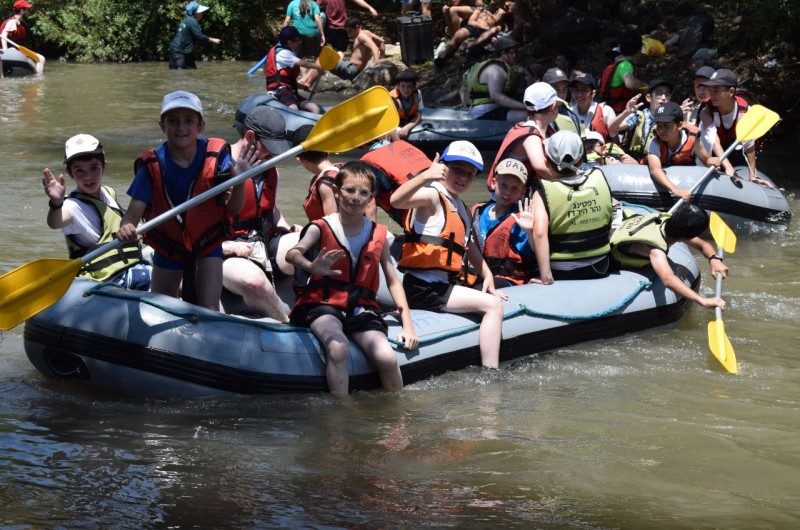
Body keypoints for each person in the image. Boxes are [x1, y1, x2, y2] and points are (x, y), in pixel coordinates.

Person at [287, 161, 418, 394]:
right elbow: (292, 254)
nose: (355, 197)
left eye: (363, 192)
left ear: (371, 199)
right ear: (337, 193)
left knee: (387, 357)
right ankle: (341, 416)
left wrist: (408, 326)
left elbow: (393, 280)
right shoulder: (321, 227)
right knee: (338, 347)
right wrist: (312, 265)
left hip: (361, 307)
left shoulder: (378, 233)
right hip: (323, 305)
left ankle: (399, 418)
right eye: (349, 190)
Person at [117, 91, 251, 311]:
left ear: (200, 126)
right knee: (158, 308)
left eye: (188, 121)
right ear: (162, 126)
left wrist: (240, 181)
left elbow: (234, 208)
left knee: (208, 307)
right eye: (173, 121)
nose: (181, 127)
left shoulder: (218, 157)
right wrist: (126, 227)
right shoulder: (151, 166)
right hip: (168, 247)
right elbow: (132, 216)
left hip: (207, 245)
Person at [390, 141, 507, 369]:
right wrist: (425, 177)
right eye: (457, 170)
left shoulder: (459, 205)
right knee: (493, 306)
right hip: (424, 288)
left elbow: (467, 244)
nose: (463, 178)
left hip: (441, 285)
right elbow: (397, 200)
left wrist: (487, 275)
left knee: (496, 290)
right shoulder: (432, 195)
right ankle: (491, 372)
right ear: (442, 166)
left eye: (470, 174)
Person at [42, 134, 151, 290]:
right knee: (171, 276)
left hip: (130, 265)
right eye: (79, 171)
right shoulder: (72, 206)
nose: (88, 176)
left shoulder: (108, 192)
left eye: (94, 168)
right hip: (108, 278)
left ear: (104, 166)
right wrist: (56, 203)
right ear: (70, 173)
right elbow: (55, 222)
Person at [222, 107, 302, 322]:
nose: (274, 155)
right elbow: (193, 223)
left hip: (263, 244)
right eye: (269, 148)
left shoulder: (269, 169)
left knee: (314, 240)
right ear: (250, 137)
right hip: (223, 252)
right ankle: (288, 327)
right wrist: (226, 247)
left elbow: (270, 209)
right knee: (255, 282)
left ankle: (324, 309)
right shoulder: (216, 167)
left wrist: (287, 230)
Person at [530, 130, 613, 283]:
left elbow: (540, 234)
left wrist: (546, 276)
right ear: (581, 160)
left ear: (546, 159)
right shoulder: (599, 177)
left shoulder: (541, 192)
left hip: (560, 270)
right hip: (600, 264)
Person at [610, 203, 727, 309]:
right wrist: (702, 300)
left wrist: (714, 259)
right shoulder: (656, 250)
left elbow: (703, 244)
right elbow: (668, 279)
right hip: (610, 258)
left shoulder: (664, 220)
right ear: (686, 238)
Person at [486, 81, 567, 189]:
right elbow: (540, 167)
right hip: (509, 197)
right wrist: (566, 181)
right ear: (553, 107)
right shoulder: (531, 137)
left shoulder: (525, 127)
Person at [698, 68, 771, 186]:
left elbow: (749, 145)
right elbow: (713, 140)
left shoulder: (746, 112)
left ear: (731, 92)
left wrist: (752, 176)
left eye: (716, 90)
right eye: (710, 90)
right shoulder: (706, 112)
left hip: (734, 149)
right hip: (710, 151)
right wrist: (728, 168)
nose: (712, 95)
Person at [472, 158, 538, 287]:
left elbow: (535, 251)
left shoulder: (521, 219)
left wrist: (531, 233)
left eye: (514, 188)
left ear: (522, 191)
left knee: (476, 288)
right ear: (493, 183)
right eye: (504, 185)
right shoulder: (478, 211)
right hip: (481, 273)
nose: (508, 192)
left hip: (508, 279)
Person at [646, 101, 721, 202]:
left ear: (680, 125)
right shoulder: (655, 143)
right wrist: (675, 190)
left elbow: (707, 159)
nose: (661, 130)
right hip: (666, 188)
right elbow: (655, 170)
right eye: (659, 126)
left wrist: (712, 161)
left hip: (686, 180)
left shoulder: (693, 141)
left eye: (667, 126)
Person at [612, 78, 681, 162]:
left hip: (658, 161)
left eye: (667, 94)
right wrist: (626, 113)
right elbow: (612, 128)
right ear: (648, 98)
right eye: (659, 93)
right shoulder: (639, 116)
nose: (664, 98)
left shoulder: (672, 119)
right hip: (633, 159)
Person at [464, 35, 527, 121]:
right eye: (513, 52)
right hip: (485, 114)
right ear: (503, 53)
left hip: (485, 111)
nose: (516, 55)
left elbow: (462, 90)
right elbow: (496, 96)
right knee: (529, 115)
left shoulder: (491, 67)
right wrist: (524, 107)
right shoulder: (496, 70)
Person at [265, 26, 323, 114]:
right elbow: (302, 63)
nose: (299, 42)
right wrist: (318, 66)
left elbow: (289, 81)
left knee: (315, 108)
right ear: (289, 43)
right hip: (279, 91)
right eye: (297, 41)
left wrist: (305, 87)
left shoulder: (288, 52)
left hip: (289, 92)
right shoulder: (283, 54)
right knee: (294, 109)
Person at [434, 3, 506, 66]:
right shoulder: (480, 10)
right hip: (473, 27)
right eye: (490, 1)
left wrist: (500, 16)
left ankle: (471, 48)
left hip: (486, 32)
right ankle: (443, 58)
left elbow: (499, 28)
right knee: (459, 34)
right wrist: (485, 27)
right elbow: (471, 22)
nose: (492, 3)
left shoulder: (498, 15)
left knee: (493, 30)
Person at [325, 16, 384, 82]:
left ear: (357, 27)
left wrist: (377, 67)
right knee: (340, 53)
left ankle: (311, 85)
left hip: (351, 69)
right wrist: (382, 58)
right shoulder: (367, 33)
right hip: (353, 70)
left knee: (323, 60)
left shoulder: (361, 36)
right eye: (347, 31)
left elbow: (375, 48)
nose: (349, 34)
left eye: (350, 31)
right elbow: (381, 41)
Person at [598, 31, 645, 113]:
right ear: (639, 50)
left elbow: (599, 83)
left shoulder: (612, 65)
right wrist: (644, 85)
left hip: (606, 109)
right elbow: (630, 83)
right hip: (619, 113)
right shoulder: (626, 65)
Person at [168, 1, 220, 69]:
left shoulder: (188, 20)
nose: (202, 13)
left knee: (192, 70)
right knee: (178, 74)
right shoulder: (192, 21)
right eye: (200, 12)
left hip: (183, 51)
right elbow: (199, 36)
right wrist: (213, 40)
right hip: (179, 51)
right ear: (196, 13)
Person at [389, 69, 424, 141]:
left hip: (410, 120)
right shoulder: (392, 97)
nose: (406, 89)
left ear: (414, 87)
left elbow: (419, 115)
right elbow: (388, 121)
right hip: (396, 123)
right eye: (403, 86)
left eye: (409, 86)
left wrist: (407, 128)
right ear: (398, 86)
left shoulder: (418, 94)